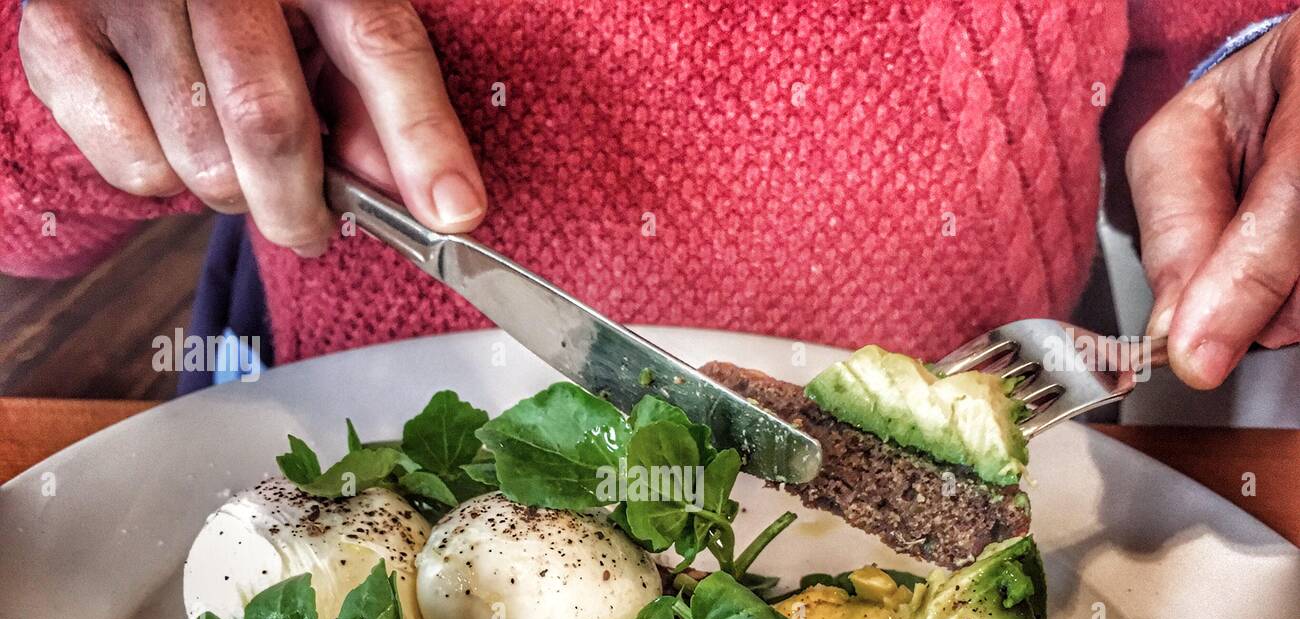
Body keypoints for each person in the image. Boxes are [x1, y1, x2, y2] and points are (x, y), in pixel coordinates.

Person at [2, 0, 1296, 400]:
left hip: (970, 480)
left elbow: (1201, 35)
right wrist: (105, 77)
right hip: (320, 453)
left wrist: (1248, 79)